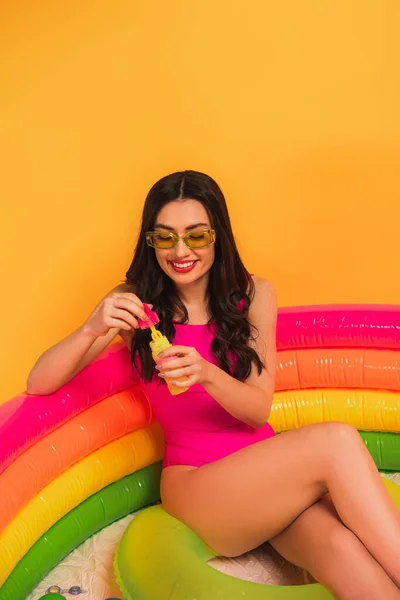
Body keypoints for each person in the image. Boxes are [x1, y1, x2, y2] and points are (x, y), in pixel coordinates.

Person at [27, 170, 400, 600]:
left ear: (217, 235)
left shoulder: (255, 294)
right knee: (336, 440)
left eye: (195, 235)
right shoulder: (137, 305)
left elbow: (258, 410)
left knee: (341, 547)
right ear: (151, 241)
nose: (180, 251)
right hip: (198, 485)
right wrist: (91, 326)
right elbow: (39, 383)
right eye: (165, 237)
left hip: (264, 476)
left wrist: (206, 372)